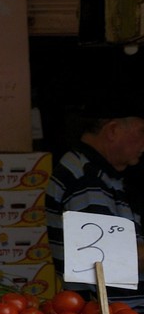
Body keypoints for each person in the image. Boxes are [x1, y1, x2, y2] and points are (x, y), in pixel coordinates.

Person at [47, 100, 144, 292]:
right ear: (113, 130)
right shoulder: (85, 178)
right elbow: (104, 260)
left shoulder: (102, 174)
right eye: (142, 131)